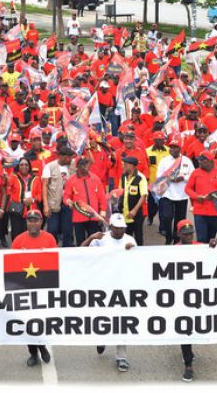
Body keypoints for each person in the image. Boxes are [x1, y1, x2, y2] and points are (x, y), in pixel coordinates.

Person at [81, 213, 135, 372]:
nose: (119, 231)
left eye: (122, 228)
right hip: (103, 286)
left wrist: (131, 252)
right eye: (116, 228)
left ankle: (121, 357)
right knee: (103, 318)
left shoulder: (130, 240)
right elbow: (81, 252)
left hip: (122, 287)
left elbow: (138, 263)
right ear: (110, 227)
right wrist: (91, 238)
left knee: (122, 322)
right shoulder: (100, 238)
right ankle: (102, 337)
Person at [11, 210, 56, 366]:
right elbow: (11, 265)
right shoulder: (18, 240)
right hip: (24, 287)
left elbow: (55, 262)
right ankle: (34, 352)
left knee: (41, 321)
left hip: (44, 286)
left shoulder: (49, 239)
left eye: (35, 220)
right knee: (27, 322)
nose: (32, 223)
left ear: (41, 222)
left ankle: (42, 345)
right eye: (30, 220)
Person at [174, 219, 217, 382]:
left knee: (194, 327)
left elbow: (214, 261)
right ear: (179, 235)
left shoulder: (201, 247)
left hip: (198, 296)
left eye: (191, 234)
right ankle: (188, 364)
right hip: (180, 298)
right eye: (185, 234)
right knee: (185, 329)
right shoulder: (171, 252)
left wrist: (213, 247)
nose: (189, 237)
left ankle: (188, 354)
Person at [185, 150, 217, 243]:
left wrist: (215, 195)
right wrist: (197, 196)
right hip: (199, 211)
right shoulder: (196, 173)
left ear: (210, 161)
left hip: (215, 212)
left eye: (203, 161)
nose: (200, 162)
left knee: (211, 239)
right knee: (201, 238)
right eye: (199, 160)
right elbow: (187, 189)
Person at [156, 136, 194, 244]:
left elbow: (192, 177)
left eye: (175, 147)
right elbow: (159, 177)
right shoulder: (164, 161)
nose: (172, 149)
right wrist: (170, 178)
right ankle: (168, 237)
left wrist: (183, 178)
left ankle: (177, 239)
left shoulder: (187, 161)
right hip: (167, 194)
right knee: (167, 217)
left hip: (182, 195)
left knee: (180, 220)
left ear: (180, 148)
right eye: (171, 147)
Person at [63, 157, 107, 246]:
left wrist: (102, 214)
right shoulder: (71, 180)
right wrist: (69, 202)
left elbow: (102, 197)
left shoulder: (95, 178)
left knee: (96, 243)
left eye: (86, 164)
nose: (85, 166)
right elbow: (66, 196)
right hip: (78, 218)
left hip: (94, 217)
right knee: (81, 244)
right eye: (82, 164)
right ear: (77, 166)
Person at [42, 147, 75, 247]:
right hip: (53, 203)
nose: (70, 159)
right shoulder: (49, 166)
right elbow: (45, 185)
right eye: (68, 157)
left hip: (68, 203)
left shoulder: (72, 164)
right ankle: (52, 250)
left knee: (68, 230)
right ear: (61, 156)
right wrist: (46, 205)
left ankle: (67, 251)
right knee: (52, 230)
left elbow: (90, 162)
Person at [117, 156, 147, 245]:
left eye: (126, 165)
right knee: (125, 237)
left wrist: (134, 210)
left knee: (138, 236)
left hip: (136, 214)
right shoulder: (123, 177)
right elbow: (120, 192)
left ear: (133, 166)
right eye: (123, 164)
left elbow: (143, 195)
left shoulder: (140, 178)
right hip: (124, 213)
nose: (123, 166)